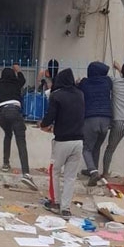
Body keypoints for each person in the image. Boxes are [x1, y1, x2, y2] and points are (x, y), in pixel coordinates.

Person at [40, 68, 85, 220]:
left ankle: (55, 203)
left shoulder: (56, 96)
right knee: (70, 177)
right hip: (78, 141)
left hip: (62, 141)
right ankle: (66, 209)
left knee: (55, 171)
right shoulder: (80, 94)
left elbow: (49, 117)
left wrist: (44, 125)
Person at [0, 63, 36, 190]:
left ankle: (5, 163)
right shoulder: (16, 83)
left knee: (8, 134)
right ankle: (26, 173)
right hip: (14, 111)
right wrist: (18, 70)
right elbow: (23, 80)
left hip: (1, 113)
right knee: (21, 141)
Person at [78, 62, 113, 186]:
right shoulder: (107, 82)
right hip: (106, 119)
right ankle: (93, 169)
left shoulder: (85, 83)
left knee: (86, 148)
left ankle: (93, 172)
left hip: (90, 118)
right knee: (96, 147)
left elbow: (78, 89)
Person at [102, 61, 124, 180]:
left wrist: (118, 69)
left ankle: (105, 173)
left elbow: (105, 77)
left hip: (118, 121)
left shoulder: (115, 82)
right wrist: (120, 69)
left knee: (110, 149)